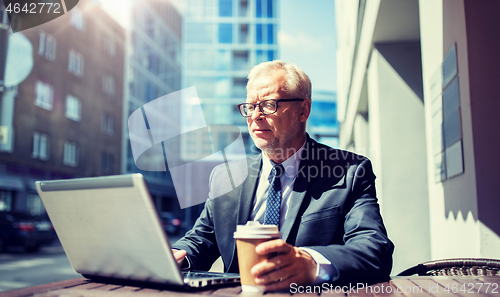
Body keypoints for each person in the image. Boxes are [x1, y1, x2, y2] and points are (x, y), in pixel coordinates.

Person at [171, 60, 394, 291]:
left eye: (268, 105)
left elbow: (374, 249)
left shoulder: (350, 172)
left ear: (303, 110)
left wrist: (311, 264)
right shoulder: (225, 176)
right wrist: (175, 256)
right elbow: (202, 239)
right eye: (250, 106)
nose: (255, 116)